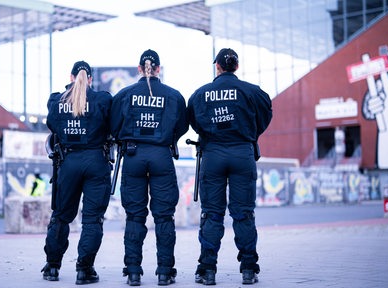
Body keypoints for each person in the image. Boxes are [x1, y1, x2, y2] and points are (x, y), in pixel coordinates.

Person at [186, 48, 272, 285]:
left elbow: (192, 119)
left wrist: (210, 133)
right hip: (242, 153)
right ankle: (248, 269)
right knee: (243, 213)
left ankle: (207, 270)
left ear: (218, 67)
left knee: (212, 214)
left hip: (213, 154)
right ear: (235, 66)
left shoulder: (200, 94)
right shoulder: (252, 92)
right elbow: (266, 113)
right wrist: (250, 134)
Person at [111, 49, 189, 286]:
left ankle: (133, 271)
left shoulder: (125, 94)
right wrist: (167, 139)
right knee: (164, 216)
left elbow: (114, 126)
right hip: (161, 155)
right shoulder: (173, 96)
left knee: (134, 216)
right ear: (158, 69)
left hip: (133, 156)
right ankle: (165, 272)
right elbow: (182, 126)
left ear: (139, 69)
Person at [41, 60, 113, 285]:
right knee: (92, 219)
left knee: (61, 216)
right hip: (96, 161)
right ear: (90, 79)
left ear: (71, 77)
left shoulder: (56, 100)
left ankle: (52, 266)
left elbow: (52, 126)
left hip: (69, 162)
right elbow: (112, 126)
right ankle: (84, 269)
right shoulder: (102, 100)